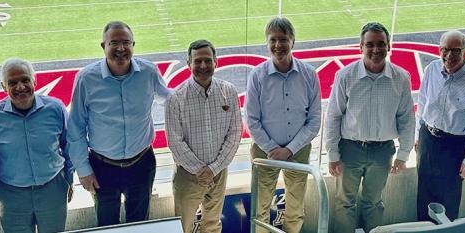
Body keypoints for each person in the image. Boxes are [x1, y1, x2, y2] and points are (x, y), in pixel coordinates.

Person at [67, 21, 170, 226]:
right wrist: (83, 170)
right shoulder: (87, 78)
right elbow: (76, 127)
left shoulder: (148, 72)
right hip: (102, 167)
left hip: (141, 164)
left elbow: (169, 98)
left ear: (134, 45)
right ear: (103, 46)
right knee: (106, 225)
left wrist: (198, 89)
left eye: (126, 42)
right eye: (114, 43)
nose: (121, 48)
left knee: (140, 224)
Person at [325, 22, 415, 233]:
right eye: (370, 44)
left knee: (373, 202)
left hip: (383, 151)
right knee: (344, 203)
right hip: (350, 149)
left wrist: (403, 153)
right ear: (361, 47)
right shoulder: (345, 76)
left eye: (381, 44)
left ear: (389, 46)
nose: (376, 50)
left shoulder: (401, 78)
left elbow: (406, 119)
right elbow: (333, 117)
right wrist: (332, 153)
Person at [245, 17, 322, 233]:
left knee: (295, 206)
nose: (278, 45)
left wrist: (289, 149)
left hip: (298, 150)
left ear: (293, 41)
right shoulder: (257, 75)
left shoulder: (309, 74)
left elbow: (314, 119)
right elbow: (251, 119)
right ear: (267, 42)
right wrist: (273, 149)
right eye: (273, 40)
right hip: (264, 151)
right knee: (260, 207)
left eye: (283, 39)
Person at [0, 58, 74, 233]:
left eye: (25, 80)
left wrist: (68, 179)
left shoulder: (55, 109)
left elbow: (69, 145)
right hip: (13, 196)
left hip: (52, 190)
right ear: (3, 86)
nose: (20, 87)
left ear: (35, 81)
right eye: (12, 82)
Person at [165, 40, 242, 233]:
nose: (203, 66)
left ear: (216, 62)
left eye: (207, 60)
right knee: (183, 227)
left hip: (219, 173)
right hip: (188, 175)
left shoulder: (228, 91)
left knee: (213, 225)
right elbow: (175, 141)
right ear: (188, 63)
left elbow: (235, 133)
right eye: (197, 61)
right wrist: (201, 171)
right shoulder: (176, 98)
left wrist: (214, 169)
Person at [415, 30, 465, 221]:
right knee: (423, 194)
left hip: (454, 146)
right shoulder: (432, 69)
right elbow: (423, 103)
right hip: (427, 139)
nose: (449, 56)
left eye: (456, 51)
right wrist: (418, 134)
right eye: (445, 50)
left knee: (448, 200)